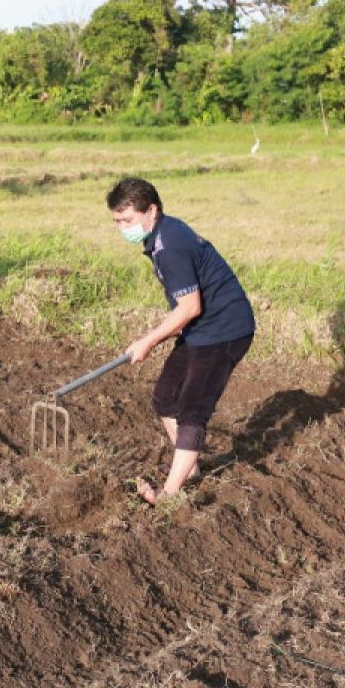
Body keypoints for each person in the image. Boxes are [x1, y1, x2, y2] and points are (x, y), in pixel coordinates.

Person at [107, 177, 255, 506]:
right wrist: (164, 332)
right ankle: (190, 467)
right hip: (200, 328)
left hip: (224, 329)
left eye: (127, 220)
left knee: (192, 409)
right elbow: (186, 307)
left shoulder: (169, 245)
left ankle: (171, 495)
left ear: (152, 211)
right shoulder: (161, 234)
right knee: (165, 396)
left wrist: (148, 340)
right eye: (116, 221)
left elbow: (190, 306)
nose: (122, 229)